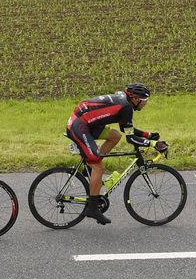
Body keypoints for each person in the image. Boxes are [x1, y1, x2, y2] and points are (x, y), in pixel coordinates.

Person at [66, 82, 161, 225]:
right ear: (135, 99)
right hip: (80, 125)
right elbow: (131, 138)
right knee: (99, 167)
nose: (146, 104)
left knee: (115, 136)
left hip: (85, 120)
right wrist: (153, 144)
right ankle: (92, 208)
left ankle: (89, 169)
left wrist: (148, 135)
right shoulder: (127, 108)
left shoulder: (126, 103)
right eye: (144, 101)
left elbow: (125, 129)